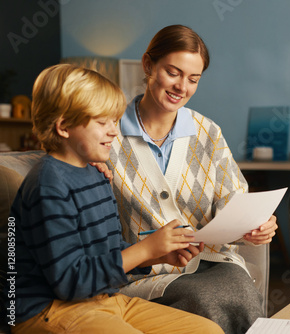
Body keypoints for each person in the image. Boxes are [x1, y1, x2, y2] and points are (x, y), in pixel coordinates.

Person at [6, 64, 222, 333]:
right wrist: (144, 249)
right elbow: (71, 283)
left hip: (103, 299)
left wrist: (157, 255)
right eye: (101, 122)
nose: (114, 132)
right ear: (63, 127)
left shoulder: (96, 174)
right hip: (48, 309)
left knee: (208, 330)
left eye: (114, 121)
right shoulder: (48, 185)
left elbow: (105, 254)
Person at [107, 25, 277, 333]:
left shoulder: (208, 133)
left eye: (193, 79)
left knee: (238, 289)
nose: (181, 86)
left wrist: (254, 227)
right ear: (148, 65)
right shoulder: (108, 134)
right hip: (142, 273)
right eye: (173, 72)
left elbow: (233, 203)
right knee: (207, 298)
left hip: (213, 262)